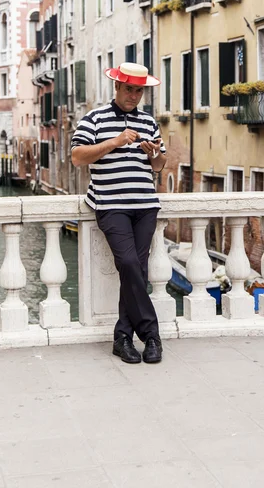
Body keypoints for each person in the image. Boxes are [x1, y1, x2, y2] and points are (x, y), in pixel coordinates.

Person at [71, 62, 167, 364]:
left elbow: (160, 166)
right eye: (129, 89)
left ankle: (123, 337)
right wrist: (115, 141)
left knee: (137, 269)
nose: (134, 96)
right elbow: (76, 157)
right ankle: (151, 335)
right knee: (128, 262)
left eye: (139, 91)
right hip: (110, 204)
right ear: (117, 88)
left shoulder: (150, 122)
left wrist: (154, 154)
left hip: (145, 206)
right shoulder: (94, 119)